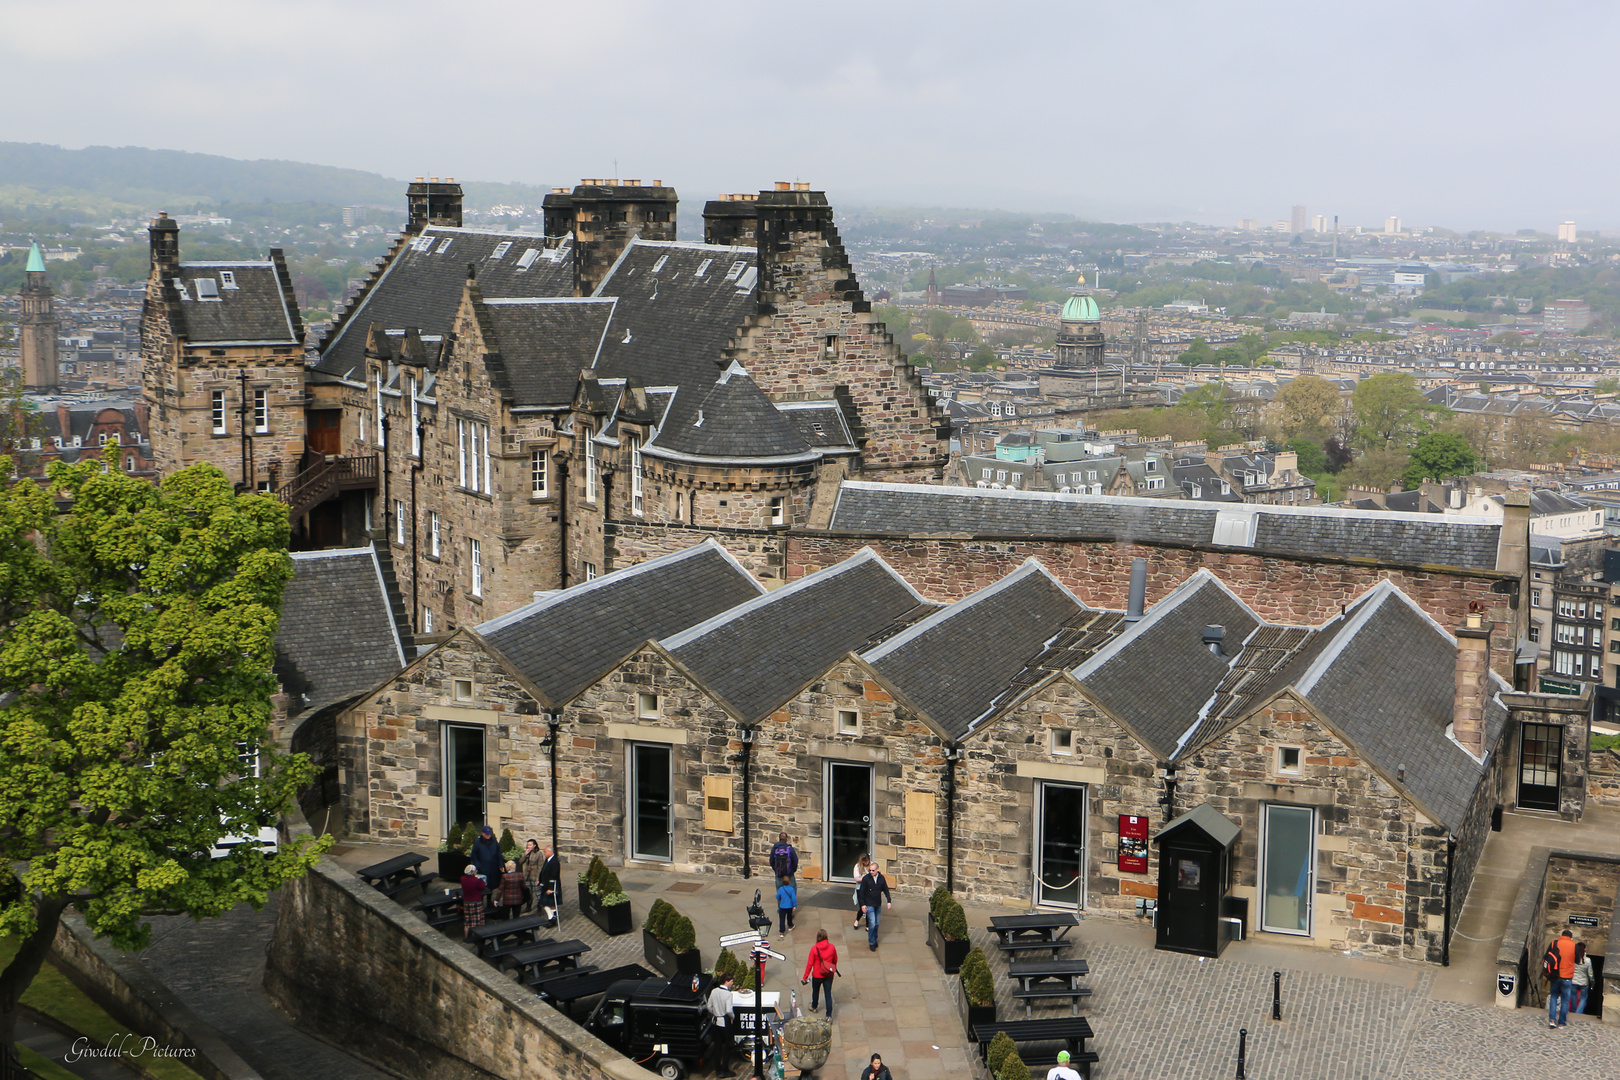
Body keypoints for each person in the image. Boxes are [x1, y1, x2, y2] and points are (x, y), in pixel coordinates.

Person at [801, 929, 839, 1019]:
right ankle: (828, 1016)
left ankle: (814, 1006)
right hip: (829, 975)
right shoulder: (832, 947)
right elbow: (835, 960)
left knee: (815, 991)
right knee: (828, 994)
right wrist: (832, 968)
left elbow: (810, 964)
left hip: (817, 975)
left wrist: (805, 977)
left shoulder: (814, 949)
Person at [856, 860, 892, 951]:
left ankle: (874, 938)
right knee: (872, 923)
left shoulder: (881, 878)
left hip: (877, 904)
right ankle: (872, 942)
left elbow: (886, 889)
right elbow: (862, 893)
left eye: (873, 870)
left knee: (877, 923)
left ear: (877, 870)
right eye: (870, 870)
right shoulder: (866, 879)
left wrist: (889, 901)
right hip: (869, 904)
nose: (871, 872)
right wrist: (863, 905)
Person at [706, 971, 737, 1070]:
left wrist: (714, 1013)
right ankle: (725, 1068)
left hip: (716, 1021)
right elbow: (729, 1010)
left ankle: (717, 1068)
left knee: (717, 1046)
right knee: (728, 1045)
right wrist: (732, 1017)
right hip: (725, 1020)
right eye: (731, 981)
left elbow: (708, 1006)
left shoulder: (714, 991)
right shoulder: (728, 994)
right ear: (726, 981)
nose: (732, 983)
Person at [1548, 929, 1578, 1028]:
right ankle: (1561, 1022)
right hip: (1567, 977)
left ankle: (1552, 1020)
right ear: (1571, 937)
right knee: (1565, 1000)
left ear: (1562, 935)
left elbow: (1548, 958)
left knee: (1554, 997)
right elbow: (1577, 960)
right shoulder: (1574, 945)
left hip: (1555, 975)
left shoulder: (1554, 943)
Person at [459, 864, 487, 941]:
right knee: (476, 921)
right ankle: (474, 937)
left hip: (467, 902)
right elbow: (483, 888)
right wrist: (480, 880)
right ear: (473, 872)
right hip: (476, 902)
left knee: (468, 921)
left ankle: (466, 937)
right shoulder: (477, 880)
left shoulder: (462, 879)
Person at [538, 844, 562, 927]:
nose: (544, 853)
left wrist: (549, 888)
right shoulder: (547, 860)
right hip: (545, 885)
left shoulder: (554, 862)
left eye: (545, 851)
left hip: (550, 886)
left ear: (550, 852)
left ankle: (551, 918)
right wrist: (540, 880)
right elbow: (543, 872)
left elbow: (553, 876)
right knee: (549, 904)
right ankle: (553, 917)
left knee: (545, 903)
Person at [519, 839, 544, 914]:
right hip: (526, 875)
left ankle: (539, 908)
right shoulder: (526, 852)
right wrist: (525, 855)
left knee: (537, 892)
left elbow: (540, 866)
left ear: (534, 845)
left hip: (534, 874)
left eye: (530, 845)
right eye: (527, 845)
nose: (528, 847)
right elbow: (520, 862)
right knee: (528, 892)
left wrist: (538, 878)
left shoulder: (538, 853)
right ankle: (528, 906)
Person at [1572, 940, 1594, 1014]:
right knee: (1583, 998)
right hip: (1584, 982)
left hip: (1573, 980)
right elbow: (1590, 973)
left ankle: (1573, 1011)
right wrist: (1592, 982)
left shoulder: (1573, 959)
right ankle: (1578, 1013)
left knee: (1573, 997)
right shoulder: (1588, 960)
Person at [851, 853, 871, 929]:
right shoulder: (857, 867)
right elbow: (857, 879)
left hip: (869, 889)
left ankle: (867, 925)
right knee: (863, 907)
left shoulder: (871, 865)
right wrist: (866, 879)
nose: (867, 863)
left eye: (867, 861)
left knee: (869, 907)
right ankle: (857, 920)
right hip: (861, 889)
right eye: (865, 862)